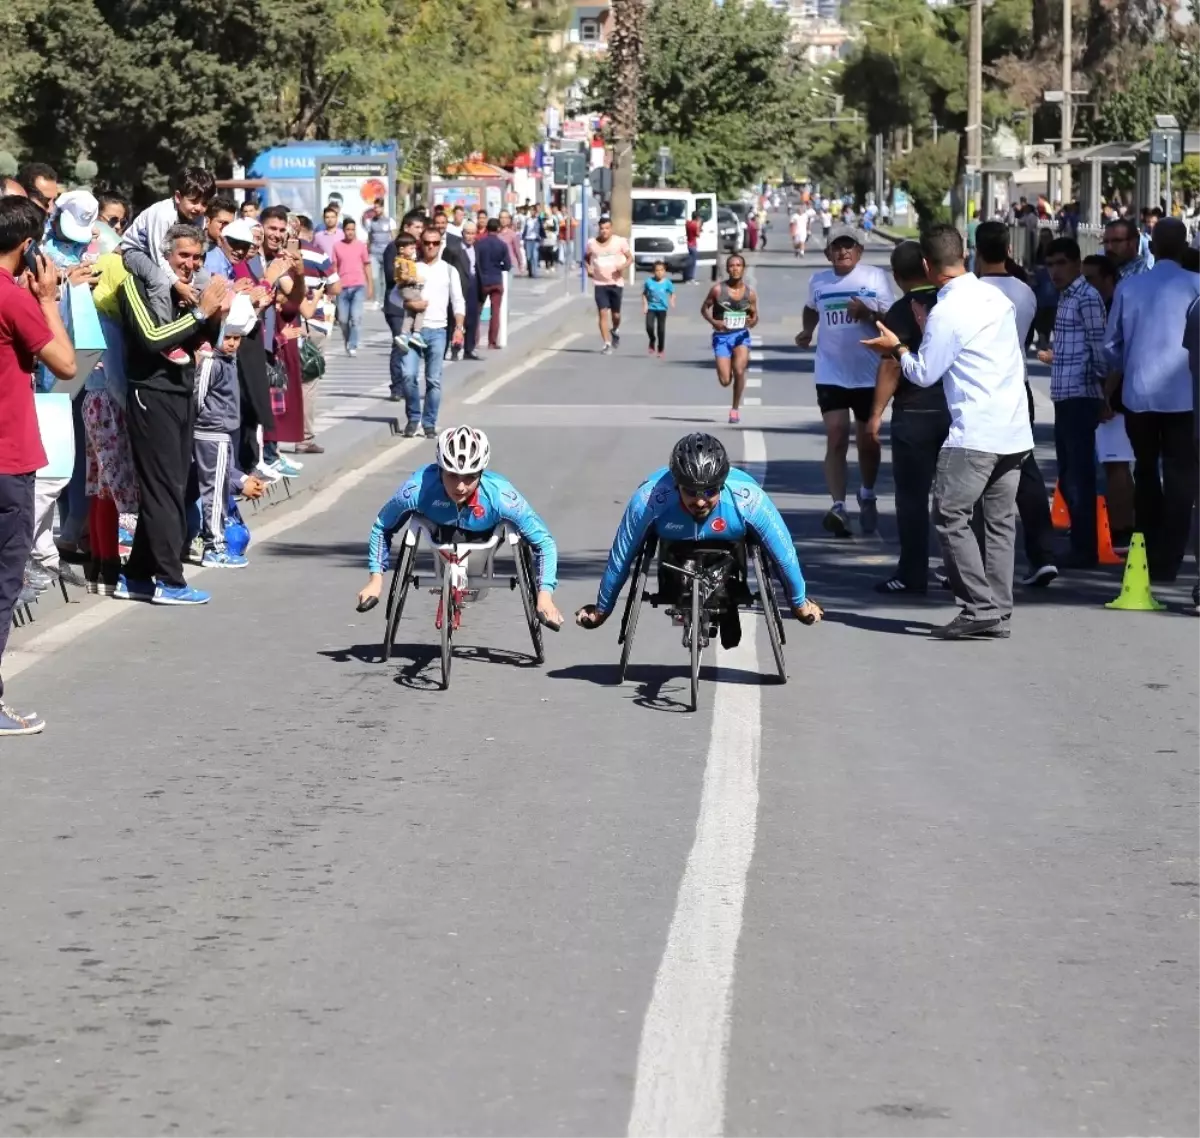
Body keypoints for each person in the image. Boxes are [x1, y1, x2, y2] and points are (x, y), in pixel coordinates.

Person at [862, 224, 1033, 640]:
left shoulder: (947, 311)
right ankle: (998, 611)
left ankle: (978, 606)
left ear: (927, 265)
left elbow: (924, 373)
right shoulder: (996, 297)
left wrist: (897, 349)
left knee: (950, 515)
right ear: (964, 254)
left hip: (975, 432)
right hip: (1014, 429)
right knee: (998, 522)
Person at [574, 433, 823, 648]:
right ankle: (679, 590)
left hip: (730, 541)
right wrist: (602, 610)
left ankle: (730, 592)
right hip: (673, 546)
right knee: (647, 547)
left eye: (710, 492)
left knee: (763, 548)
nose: (701, 501)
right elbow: (622, 556)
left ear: (723, 485)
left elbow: (784, 555)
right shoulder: (649, 500)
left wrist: (799, 603)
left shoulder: (749, 500)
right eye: (691, 491)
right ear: (676, 484)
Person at [117, 223, 230, 605]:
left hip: (181, 392)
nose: (190, 264)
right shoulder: (135, 284)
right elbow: (151, 338)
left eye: (197, 257)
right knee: (164, 487)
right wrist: (201, 312)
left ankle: (136, 576)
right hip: (150, 393)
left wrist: (214, 315)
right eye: (183, 256)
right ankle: (170, 580)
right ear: (163, 254)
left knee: (174, 486)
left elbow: (205, 341)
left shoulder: (189, 289)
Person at [356, 425, 563, 628]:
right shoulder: (416, 490)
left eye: (470, 477)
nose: (460, 486)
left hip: (485, 536)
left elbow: (544, 542)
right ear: (440, 471)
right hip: (438, 531)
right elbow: (382, 526)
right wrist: (376, 579)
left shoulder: (502, 496)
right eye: (452, 475)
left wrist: (544, 595)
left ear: (481, 474)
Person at [0, 195, 77, 734]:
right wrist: (49, 299)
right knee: (4, 582)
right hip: (8, 459)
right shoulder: (14, 298)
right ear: (27, 247)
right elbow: (68, 365)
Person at [1103, 217, 1200, 583]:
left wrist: (1128, 363)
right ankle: (1170, 558)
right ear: (1184, 247)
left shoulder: (1130, 286)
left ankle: (1146, 546)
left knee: (1144, 470)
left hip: (1140, 393)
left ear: (1152, 246)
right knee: (1181, 476)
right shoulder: (1196, 286)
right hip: (1186, 394)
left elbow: (1111, 344)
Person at [794, 223, 894, 537]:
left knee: (868, 440)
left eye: (849, 246)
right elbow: (811, 309)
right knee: (836, 435)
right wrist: (808, 330)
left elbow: (892, 321)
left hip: (868, 373)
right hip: (831, 371)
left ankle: (866, 492)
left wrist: (867, 313)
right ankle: (838, 506)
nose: (843, 251)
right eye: (837, 247)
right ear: (828, 253)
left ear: (859, 251)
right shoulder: (819, 281)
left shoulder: (875, 278)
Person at [973, 221, 1057, 589]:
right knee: (1026, 469)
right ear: (1009, 249)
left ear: (975, 252)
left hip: (979, 389)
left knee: (970, 472)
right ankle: (1042, 554)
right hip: (1017, 388)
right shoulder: (1024, 291)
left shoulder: (970, 293)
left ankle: (971, 562)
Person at [866, 240, 947, 594]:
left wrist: (875, 416)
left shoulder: (901, 311)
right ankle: (962, 572)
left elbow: (890, 366)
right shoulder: (952, 303)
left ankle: (913, 573)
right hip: (957, 411)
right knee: (957, 499)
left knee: (913, 498)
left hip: (915, 413)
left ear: (897, 275)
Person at [1037, 237, 1107, 568]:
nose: (1055, 271)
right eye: (1050, 265)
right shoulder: (1066, 297)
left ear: (1077, 263)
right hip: (1064, 395)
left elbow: (1098, 348)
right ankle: (1079, 540)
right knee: (1068, 474)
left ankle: (1085, 547)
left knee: (1079, 476)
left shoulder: (1087, 298)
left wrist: (1103, 394)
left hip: (1081, 395)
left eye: (1062, 263)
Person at [118, 166, 217, 337]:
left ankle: (193, 331)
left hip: (169, 254)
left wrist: (190, 284)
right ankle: (167, 332)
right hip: (138, 251)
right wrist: (179, 285)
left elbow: (197, 253)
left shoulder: (199, 219)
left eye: (204, 203)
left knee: (204, 278)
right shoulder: (163, 215)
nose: (199, 208)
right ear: (178, 197)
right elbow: (157, 256)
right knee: (160, 281)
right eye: (194, 201)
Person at [1080, 254, 1133, 550]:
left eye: (1091, 279)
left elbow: (1116, 357)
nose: (1087, 285)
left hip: (1115, 399)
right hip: (1120, 394)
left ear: (1109, 278)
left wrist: (1106, 395)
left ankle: (1122, 529)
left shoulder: (1113, 307)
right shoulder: (1110, 304)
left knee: (1116, 464)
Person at [400, 226, 465, 438]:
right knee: (408, 375)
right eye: (427, 243)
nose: (430, 247)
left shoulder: (448, 270)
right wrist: (411, 303)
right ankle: (413, 417)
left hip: (438, 331)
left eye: (435, 243)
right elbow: (394, 296)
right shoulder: (412, 267)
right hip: (413, 331)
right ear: (421, 244)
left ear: (440, 244)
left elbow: (458, 301)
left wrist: (459, 328)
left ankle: (429, 422)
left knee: (433, 380)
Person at [701, 254, 758, 424]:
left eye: (738, 265)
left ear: (743, 268)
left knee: (739, 370)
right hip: (722, 337)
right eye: (732, 265)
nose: (735, 268)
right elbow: (704, 309)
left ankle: (735, 409)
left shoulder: (750, 293)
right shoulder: (718, 290)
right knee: (725, 381)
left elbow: (755, 317)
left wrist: (752, 321)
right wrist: (714, 322)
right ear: (727, 269)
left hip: (741, 336)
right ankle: (727, 362)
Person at [586, 215, 633, 354]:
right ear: (598, 229)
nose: (604, 231)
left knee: (616, 315)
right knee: (602, 313)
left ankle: (615, 329)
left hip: (616, 283)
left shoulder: (620, 242)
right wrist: (588, 268)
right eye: (602, 229)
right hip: (600, 283)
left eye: (607, 228)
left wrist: (623, 266)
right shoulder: (592, 243)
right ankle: (606, 343)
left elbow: (631, 258)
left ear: (611, 228)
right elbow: (585, 258)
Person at [330, 218, 372, 356]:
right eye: (348, 229)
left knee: (355, 317)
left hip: (358, 285)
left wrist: (370, 284)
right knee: (342, 320)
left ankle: (353, 344)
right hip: (342, 287)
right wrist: (332, 286)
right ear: (343, 231)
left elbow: (367, 264)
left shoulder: (361, 246)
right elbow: (334, 267)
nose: (350, 232)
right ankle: (348, 340)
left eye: (353, 229)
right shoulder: (337, 246)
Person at [475, 217, 512, 351]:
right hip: (496, 280)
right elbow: (508, 265)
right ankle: (492, 342)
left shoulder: (479, 244)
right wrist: (499, 267)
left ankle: (475, 340)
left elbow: (475, 262)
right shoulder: (502, 245)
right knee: (495, 312)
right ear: (498, 229)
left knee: (477, 311)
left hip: (482, 281)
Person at [364, 197, 395, 309]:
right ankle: (377, 300)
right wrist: (367, 251)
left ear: (382, 207)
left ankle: (384, 300)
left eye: (378, 207)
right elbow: (369, 237)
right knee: (375, 277)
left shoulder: (390, 221)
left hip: (387, 253)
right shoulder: (371, 222)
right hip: (374, 253)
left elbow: (393, 237)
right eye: (375, 207)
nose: (376, 210)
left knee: (385, 278)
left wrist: (394, 252)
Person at [642, 259, 675, 358]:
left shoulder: (667, 283)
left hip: (662, 309)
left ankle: (661, 349)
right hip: (651, 307)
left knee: (661, 330)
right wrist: (645, 305)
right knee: (649, 327)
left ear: (665, 271)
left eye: (661, 270)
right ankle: (652, 339)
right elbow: (644, 294)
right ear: (653, 271)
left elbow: (672, 292)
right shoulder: (649, 282)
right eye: (657, 270)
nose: (659, 272)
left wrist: (672, 300)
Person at [521, 206, 543, 278]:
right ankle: (530, 271)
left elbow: (541, 229)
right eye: (531, 211)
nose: (532, 212)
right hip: (528, 240)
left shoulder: (538, 220)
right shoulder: (528, 220)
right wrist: (523, 238)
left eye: (533, 211)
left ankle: (535, 272)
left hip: (535, 240)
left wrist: (541, 239)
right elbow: (525, 229)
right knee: (529, 257)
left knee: (535, 256)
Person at [684, 211, 701, 283]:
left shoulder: (688, 223)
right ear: (697, 217)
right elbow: (697, 234)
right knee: (693, 263)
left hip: (688, 244)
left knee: (690, 262)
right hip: (693, 244)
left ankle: (687, 277)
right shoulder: (695, 225)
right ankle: (691, 278)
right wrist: (699, 225)